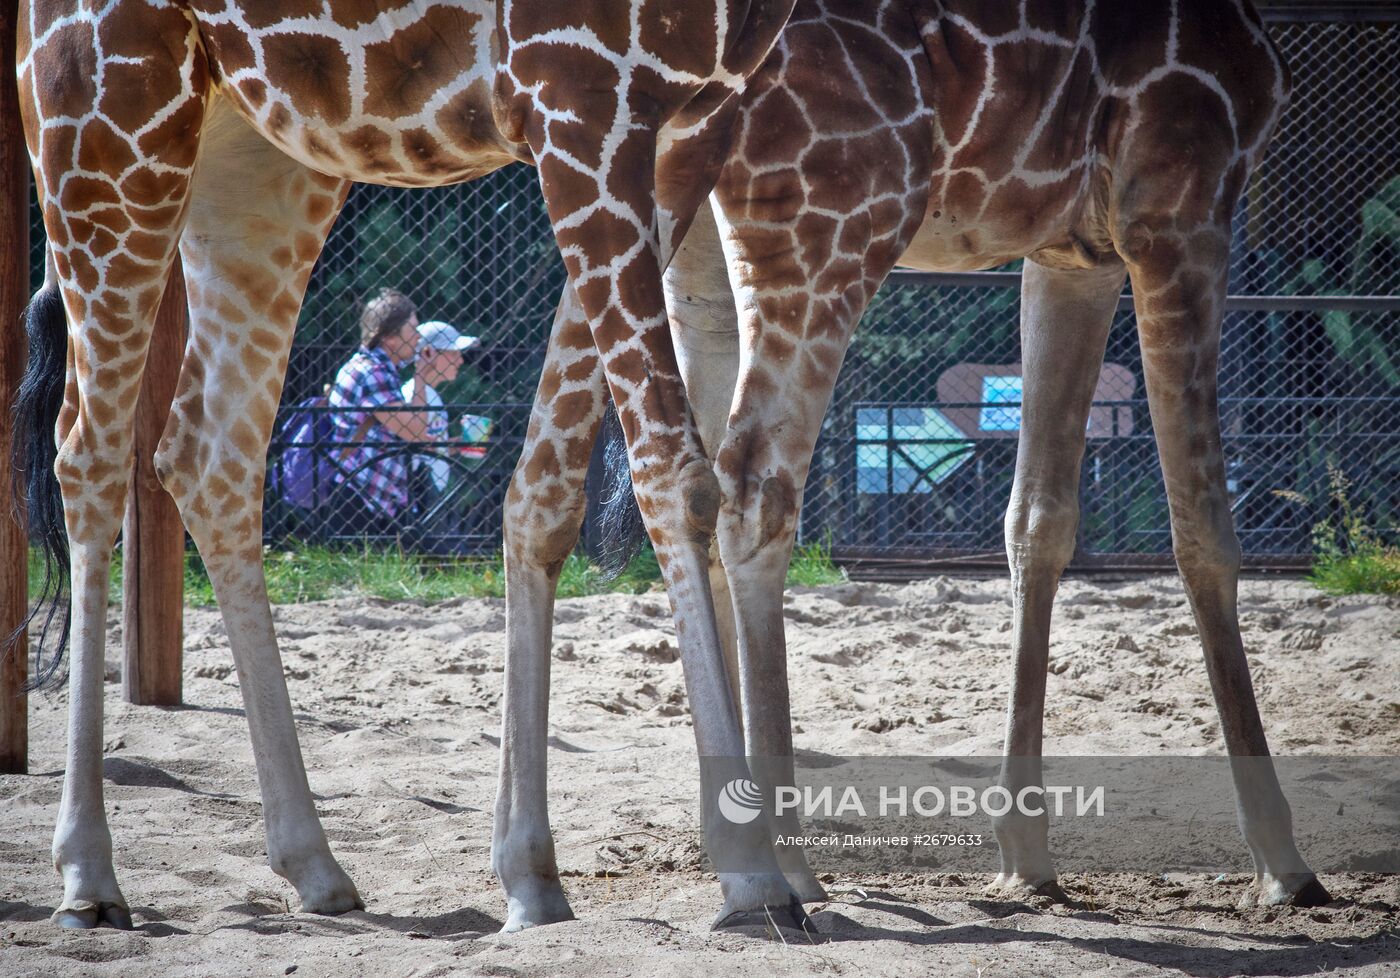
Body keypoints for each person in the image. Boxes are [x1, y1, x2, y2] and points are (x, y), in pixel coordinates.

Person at [326, 288, 434, 530]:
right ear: (389, 338)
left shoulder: (372, 367)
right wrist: (420, 379)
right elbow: (415, 430)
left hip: (367, 491)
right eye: (413, 329)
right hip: (361, 497)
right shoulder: (374, 374)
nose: (419, 337)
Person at [401, 320, 478, 495]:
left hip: (432, 491)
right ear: (429, 353)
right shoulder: (413, 394)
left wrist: (457, 445)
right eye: (454, 353)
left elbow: (427, 447)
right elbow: (412, 446)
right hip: (419, 492)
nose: (460, 360)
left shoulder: (431, 395)